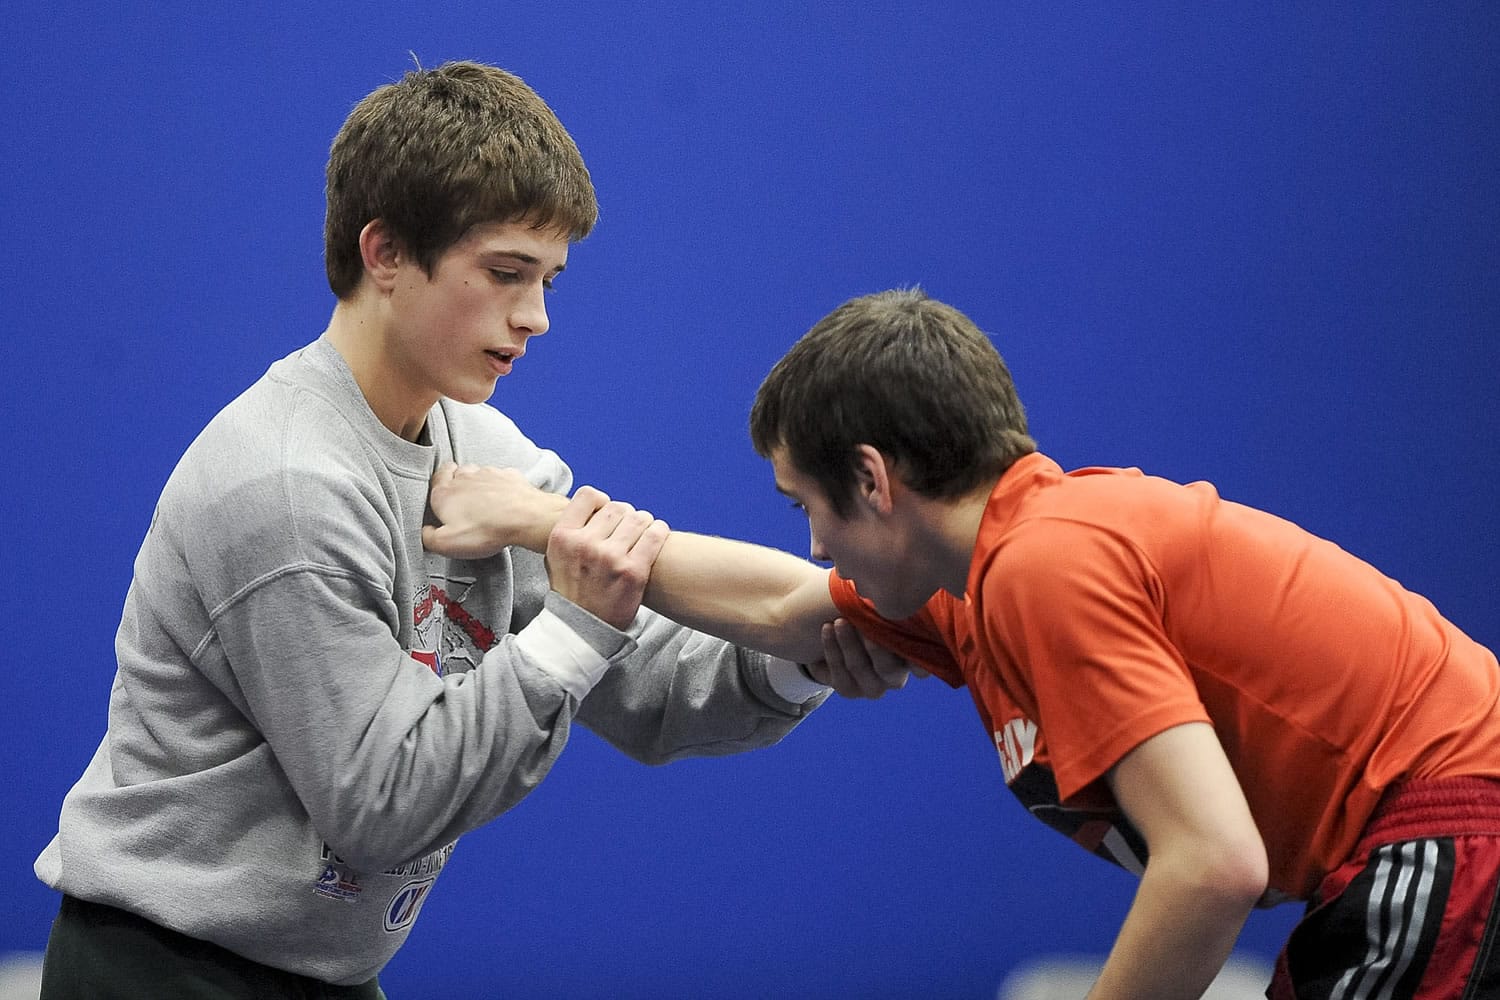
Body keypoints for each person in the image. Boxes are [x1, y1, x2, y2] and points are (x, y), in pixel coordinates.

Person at [33, 62, 909, 999]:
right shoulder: (284, 483)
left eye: (548, 281)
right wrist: (575, 626)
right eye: (503, 274)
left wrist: (807, 651)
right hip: (161, 972)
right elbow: (383, 800)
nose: (533, 317)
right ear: (385, 255)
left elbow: (650, 684)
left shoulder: (481, 446)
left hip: (320, 974)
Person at [427, 288, 1500, 998]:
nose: (815, 540)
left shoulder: (1049, 568)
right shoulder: (990, 571)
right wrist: (536, 520)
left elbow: (1214, 864)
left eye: (813, 504)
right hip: (1416, 843)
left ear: (875, 479)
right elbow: (787, 606)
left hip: (1455, 829)